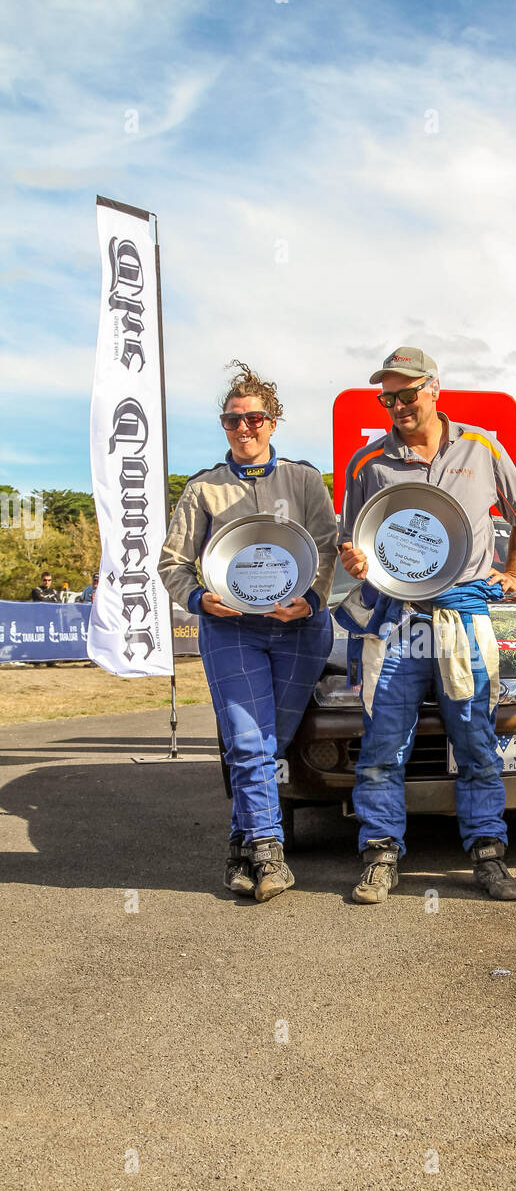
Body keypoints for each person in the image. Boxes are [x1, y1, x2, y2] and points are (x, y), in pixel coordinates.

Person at [337, 345, 516, 905]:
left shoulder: (480, 445)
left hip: (464, 617)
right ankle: (380, 854)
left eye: (406, 393)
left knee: (475, 740)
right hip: (395, 620)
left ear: (433, 390)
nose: (397, 405)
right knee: (382, 745)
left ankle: (488, 854)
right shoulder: (368, 463)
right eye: (387, 397)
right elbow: (353, 540)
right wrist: (354, 560)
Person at [158, 361, 337, 901]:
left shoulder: (305, 480)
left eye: (255, 419)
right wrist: (196, 598)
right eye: (233, 420)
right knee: (245, 740)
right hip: (231, 629)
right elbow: (172, 563)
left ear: (273, 422)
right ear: (224, 425)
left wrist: (310, 600)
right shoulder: (203, 488)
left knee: (264, 743)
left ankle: (240, 845)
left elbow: (327, 548)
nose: (244, 429)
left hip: (301, 630)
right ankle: (268, 851)